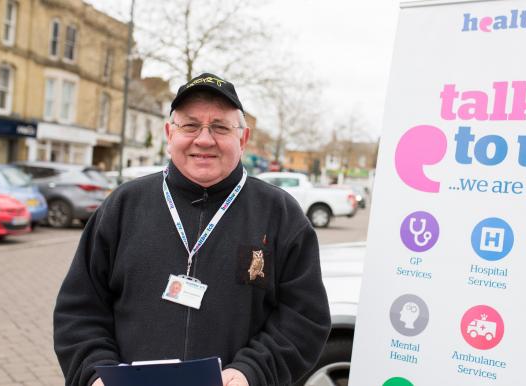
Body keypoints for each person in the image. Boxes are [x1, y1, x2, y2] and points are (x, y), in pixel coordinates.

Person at [53, 73, 331, 386]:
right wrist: (95, 374)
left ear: (242, 138)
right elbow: (79, 309)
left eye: (220, 127)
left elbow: (305, 318)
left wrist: (252, 372)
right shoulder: (123, 205)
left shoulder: (280, 213)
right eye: (190, 125)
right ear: (169, 133)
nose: (204, 139)